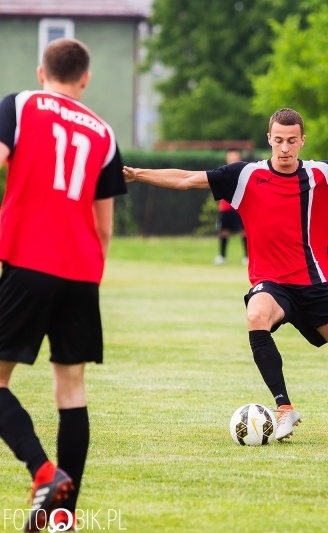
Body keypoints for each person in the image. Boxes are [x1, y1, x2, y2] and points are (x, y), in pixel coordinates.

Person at [124, 108, 328, 442]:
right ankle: (284, 407)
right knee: (256, 314)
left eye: (291, 141)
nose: (284, 148)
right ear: (269, 140)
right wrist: (138, 173)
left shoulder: (323, 175)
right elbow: (187, 179)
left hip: (315, 285)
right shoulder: (245, 176)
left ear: (302, 140)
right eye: (278, 141)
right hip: (273, 284)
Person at [0, 38, 126, 531]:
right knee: (71, 390)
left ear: (41, 71)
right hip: (81, 273)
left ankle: (43, 472)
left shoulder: (20, 104)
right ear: (85, 78)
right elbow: (106, 225)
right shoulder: (104, 132)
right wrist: (93, 272)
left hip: (29, 262)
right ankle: (62, 517)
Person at [214, 148, 248, 266]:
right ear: (227, 158)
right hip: (225, 207)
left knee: (244, 232)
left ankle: (247, 257)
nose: (233, 159)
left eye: (235, 157)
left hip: (239, 207)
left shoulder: (244, 172)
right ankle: (222, 256)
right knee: (223, 231)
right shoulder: (222, 172)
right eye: (231, 157)